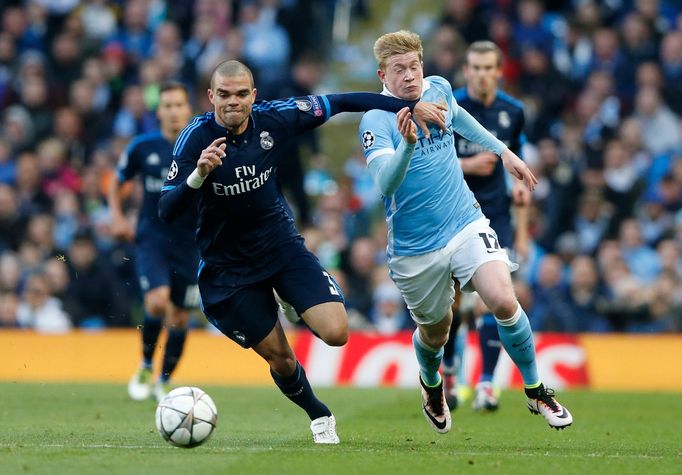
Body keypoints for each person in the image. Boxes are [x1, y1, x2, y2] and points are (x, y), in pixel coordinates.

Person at [158, 60, 445, 444]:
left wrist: (407, 107)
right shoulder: (195, 139)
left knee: (337, 332)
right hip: (228, 269)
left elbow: (342, 101)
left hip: (280, 248)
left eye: (241, 94)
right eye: (224, 95)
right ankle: (319, 414)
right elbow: (167, 210)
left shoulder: (276, 117)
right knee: (282, 358)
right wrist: (199, 175)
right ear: (211, 97)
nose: (233, 102)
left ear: (253, 96)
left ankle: (289, 299)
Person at [358, 30, 573, 434]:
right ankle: (433, 383)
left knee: (503, 300)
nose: (409, 76)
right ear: (382, 74)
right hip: (415, 247)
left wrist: (503, 151)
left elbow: (461, 118)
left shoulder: (438, 89)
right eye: (399, 70)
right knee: (436, 333)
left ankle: (535, 389)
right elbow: (385, 185)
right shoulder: (375, 120)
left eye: (415, 66)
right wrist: (406, 143)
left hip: (464, 221)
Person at [442, 40, 532, 412]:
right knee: (453, 305)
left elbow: (521, 177)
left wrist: (523, 232)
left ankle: (487, 384)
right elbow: (430, 161)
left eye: (487, 68)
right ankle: (448, 369)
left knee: (492, 303)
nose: (481, 74)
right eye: (474, 68)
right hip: (452, 214)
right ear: (466, 71)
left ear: (498, 71)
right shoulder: (448, 107)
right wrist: (468, 166)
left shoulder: (514, 112)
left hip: (495, 217)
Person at [109, 82, 199, 402]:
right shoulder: (142, 146)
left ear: (188, 109)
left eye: (179, 105)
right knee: (157, 302)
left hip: (191, 243)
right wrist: (117, 216)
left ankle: (163, 380)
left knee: (179, 317)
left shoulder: (200, 145)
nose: (173, 111)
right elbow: (117, 181)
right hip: (152, 237)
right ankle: (146, 364)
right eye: (167, 106)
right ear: (158, 111)